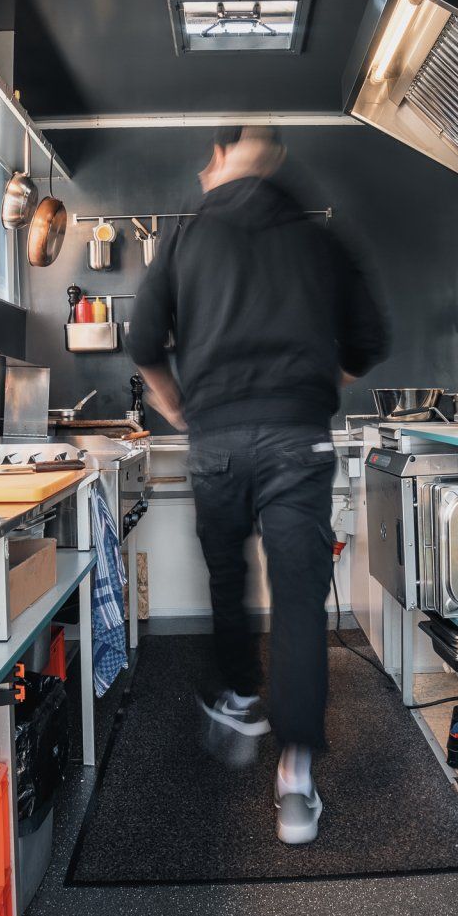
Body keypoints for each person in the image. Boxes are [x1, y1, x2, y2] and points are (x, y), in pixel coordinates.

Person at [127, 126, 390, 845]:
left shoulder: (186, 236)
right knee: (299, 597)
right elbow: (371, 342)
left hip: (215, 439)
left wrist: (178, 407)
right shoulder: (318, 240)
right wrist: (316, 386)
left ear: (219, 158)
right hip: (298, 437)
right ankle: (295, 780)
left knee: (227, 576)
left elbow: (142, 342)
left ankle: (242, 696)